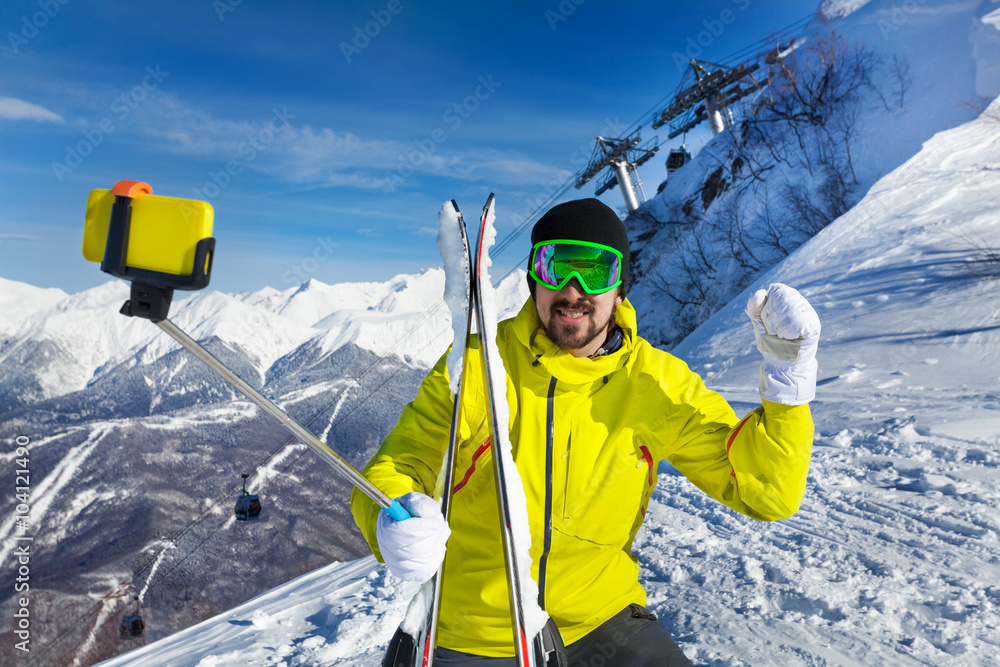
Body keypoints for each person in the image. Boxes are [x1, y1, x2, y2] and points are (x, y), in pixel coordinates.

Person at [351, 198, 820, 666]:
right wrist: (391, 518)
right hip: (481, 632)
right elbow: (400, 462)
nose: (574, 291)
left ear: (619, 289)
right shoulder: (479, 364)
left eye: (595, 272)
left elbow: (765, 493)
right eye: (556, 267)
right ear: (535, 280)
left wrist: (788, 389)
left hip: (602, 622)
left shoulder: (655, 382)